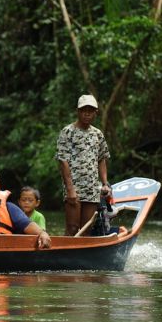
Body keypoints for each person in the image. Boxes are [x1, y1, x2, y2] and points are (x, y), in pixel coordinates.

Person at [55, 94, 110, 236]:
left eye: (90, 110)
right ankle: (63, 256)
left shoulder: (98, 134)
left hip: (92, 188)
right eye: (84, 110)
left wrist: (105, 183)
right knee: (72, 228)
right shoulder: (67, 132)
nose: (87, 113)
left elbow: (102, 158)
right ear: (78, 111)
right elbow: (63, 161)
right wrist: (70, 189)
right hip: (74, 188)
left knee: (87, 229)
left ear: (95, 113)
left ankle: (82, 258)